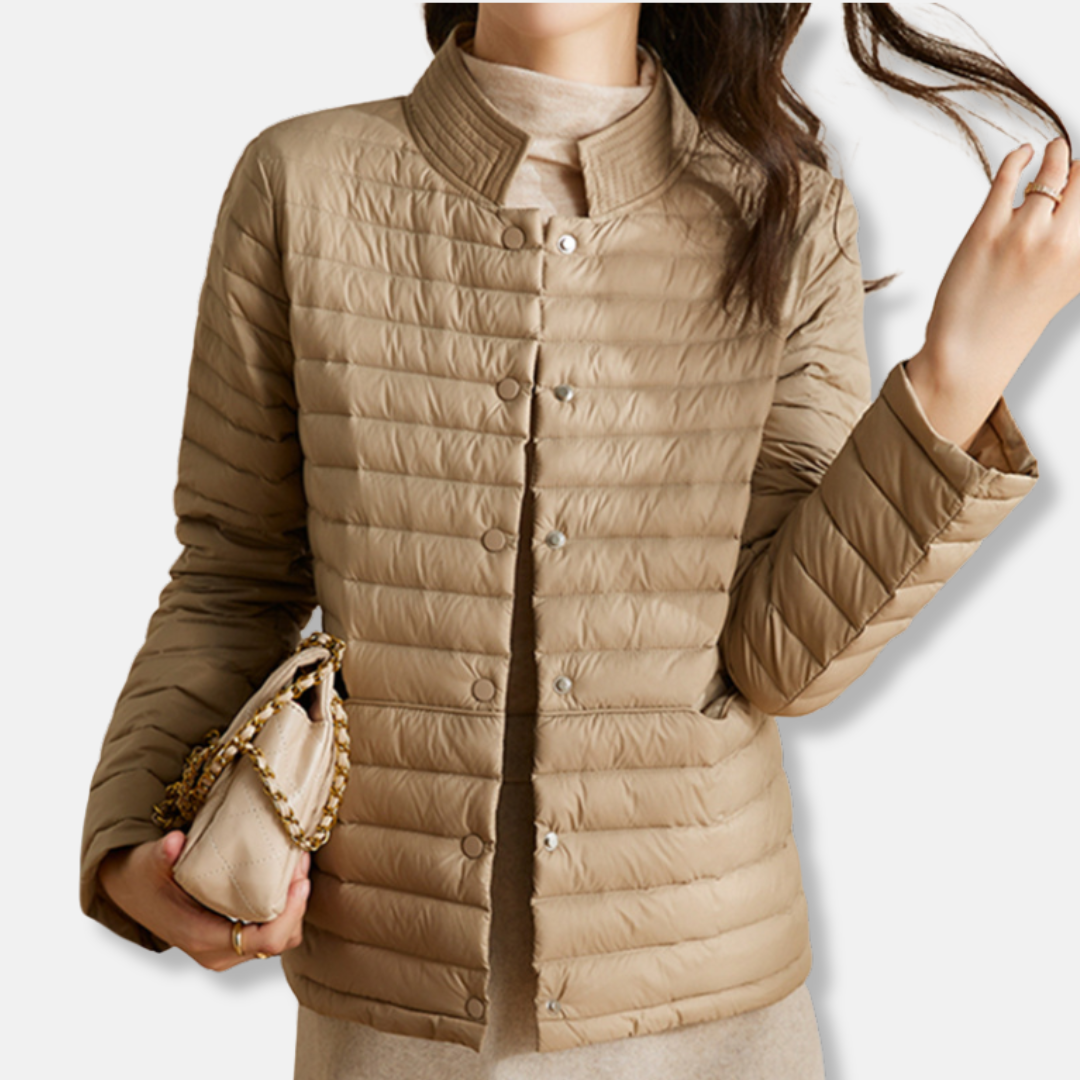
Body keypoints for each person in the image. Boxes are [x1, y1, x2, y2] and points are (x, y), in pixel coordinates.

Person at [80, 5, 1077, 1079]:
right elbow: (234, 575)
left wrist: (955, 380)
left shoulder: (785, 217)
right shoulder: (301, 183)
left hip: (713, 1027)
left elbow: (783, 662)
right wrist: (133, 839)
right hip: (393, 1023)